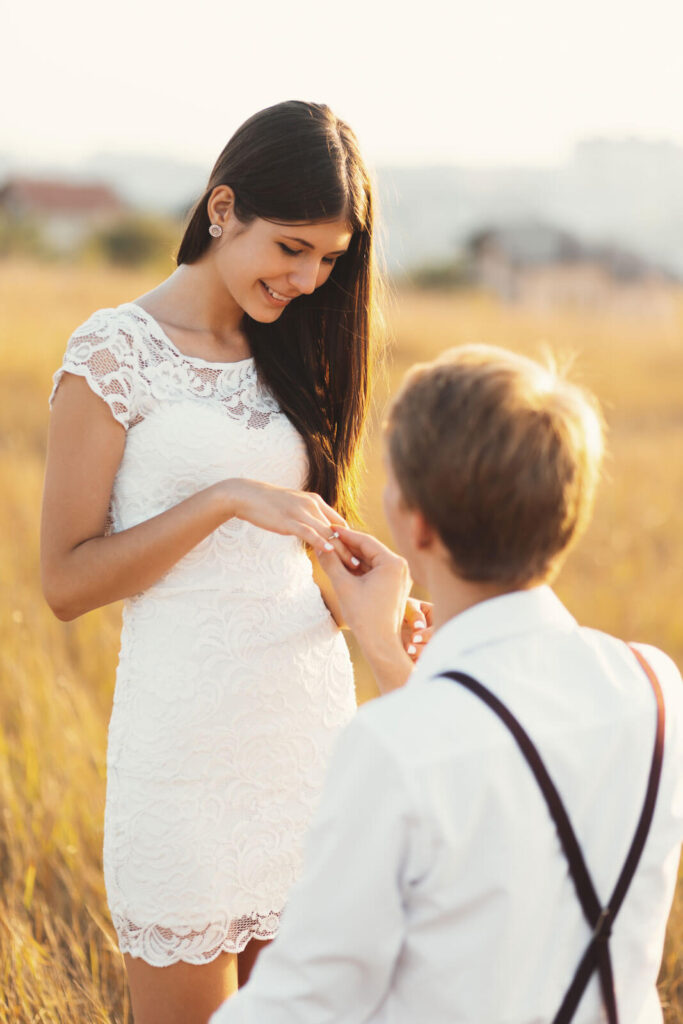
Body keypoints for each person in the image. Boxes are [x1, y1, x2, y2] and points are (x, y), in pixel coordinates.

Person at [40, 101, 429, 1024]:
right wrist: (221, 499)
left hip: (306, 736)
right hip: (181, 751)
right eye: (291, 247)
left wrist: (364, 605)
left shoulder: (300, 355)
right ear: (222, 210)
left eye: (329, 260)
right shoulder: (113, 354)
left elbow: (295, 560)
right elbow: (64, 584)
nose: (306, 278)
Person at [210, 344, 683, 1024]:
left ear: (417, 525)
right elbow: (496, 788)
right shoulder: (654, 687)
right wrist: (384, 649)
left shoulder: (392, 745)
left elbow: (301, 1003)